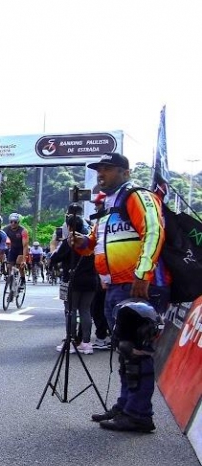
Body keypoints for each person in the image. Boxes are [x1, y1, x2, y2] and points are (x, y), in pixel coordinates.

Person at [72, 152, 169, 432]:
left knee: (136, 349)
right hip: (113, 287)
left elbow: (154, 231)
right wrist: (81, 242)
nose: (101, 173)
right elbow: (94, 245)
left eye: (108, 169)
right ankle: (126, 405)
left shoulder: (137, 196)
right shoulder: (108, 205)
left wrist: (143, 273)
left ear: (125, 172)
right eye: (99, 169)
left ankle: (139, 414)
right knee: (125, 349)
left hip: (135, 285)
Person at [50, 212, 96, 354]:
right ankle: (86, 343)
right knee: (85, 310)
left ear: (69, 227)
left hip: (72, 281)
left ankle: (70, 342)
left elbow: (55, 258)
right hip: (91, 280)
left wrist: (53, 249)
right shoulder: (90, 240)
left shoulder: (69, 241)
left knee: (70, 310)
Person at [3, 212, 29, 281]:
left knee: (19, 265)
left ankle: (23, 279)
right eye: (11, 222)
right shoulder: (5, 229)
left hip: (21, 249)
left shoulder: (23, 231)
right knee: (9, 266)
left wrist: (24, 260)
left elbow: (25, 246)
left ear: (18, 222)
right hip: (12, 249)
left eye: (15, 222)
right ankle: (11, 280)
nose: (13, 224)